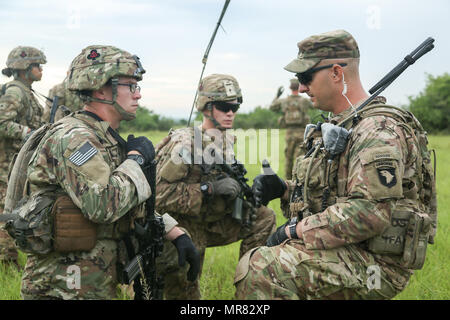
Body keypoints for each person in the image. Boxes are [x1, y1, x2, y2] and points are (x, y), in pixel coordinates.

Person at [234, 30, 437, 299]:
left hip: (376, 265)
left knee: (264, 268)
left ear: (336, 73)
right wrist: (284, 189)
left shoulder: (377, 131)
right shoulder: (340, 123)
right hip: (347, 248)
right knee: (260, 249)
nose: (302, 87)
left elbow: (369, 213)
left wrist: (294, 229)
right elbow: (334, 191)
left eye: (305, 77)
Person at [12, 45, 199, 299]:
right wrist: (135, 160)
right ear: (101, 88)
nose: (138, 95)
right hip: (64, 282)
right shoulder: (74, 138)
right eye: (130, 86)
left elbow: (127, 198)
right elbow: (102, 203)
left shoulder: (104, 137)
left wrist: (172, 231)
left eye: (138, 86)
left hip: (93, 271)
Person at [155, 73, 277, 299]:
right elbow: (158, 196)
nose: (231, 113)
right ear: (206, 107)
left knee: (264, 217)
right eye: (223, 106)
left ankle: (249, 284)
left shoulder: (227, 139)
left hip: (211, 220)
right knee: (187, 292)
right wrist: (208, 190)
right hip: (181, 227)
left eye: (235, 107)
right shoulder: (186, 144)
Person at [0, 46, 46, 266]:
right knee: (5, 213)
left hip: (15, 165)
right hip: (5, 165)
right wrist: (30, 133)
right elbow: (2, 123)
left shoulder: (26, 92)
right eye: (37, 65)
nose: (40, 69)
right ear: (24, 68)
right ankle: (6, 262)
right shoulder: (15, 92)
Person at [269, 78, 312, 180]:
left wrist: (277, 95)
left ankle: (287, 182)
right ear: (299, 87)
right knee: (301, 159)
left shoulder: (284, 101)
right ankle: (299, 180)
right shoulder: (304, 101)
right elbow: (315, 104)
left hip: (289, 133)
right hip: (302, 133)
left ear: (289, 87)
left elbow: (272, 107)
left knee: (288, 159)